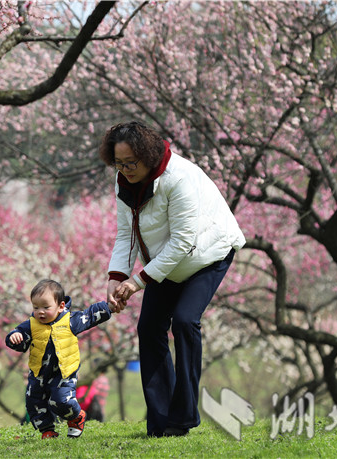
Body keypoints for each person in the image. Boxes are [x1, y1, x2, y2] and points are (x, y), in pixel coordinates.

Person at [99, 121, 245, 437]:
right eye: (119, 164)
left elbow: (183, 240)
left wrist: (137, 282)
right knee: (149, 328)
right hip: (165, 263)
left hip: (207, 254)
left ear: (147, 155)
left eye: (130, 163)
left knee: (184, 321)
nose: (124, 170)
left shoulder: (177, 178)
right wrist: (116, 277)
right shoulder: (124, 181)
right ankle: (160, 421)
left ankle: (182, 417)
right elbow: (127, 233)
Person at [5, 279, 112, 439]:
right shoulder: (31, 325)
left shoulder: (70, 321)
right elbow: (20, 336)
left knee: (62, 400)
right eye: (36, 307)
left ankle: (76, 417)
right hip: (39, 373)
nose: (40, 312)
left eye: (46, 307)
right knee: (34, 402)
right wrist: (15, 337)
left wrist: (108, 307)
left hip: (64, 372)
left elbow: (89, 315)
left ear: (61, 306)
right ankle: (47, 430)